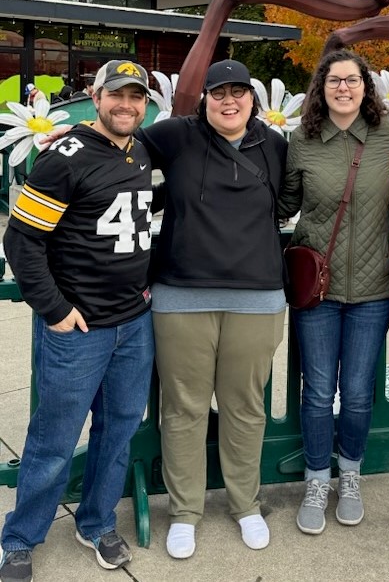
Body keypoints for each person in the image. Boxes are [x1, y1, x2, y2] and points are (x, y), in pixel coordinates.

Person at [0, 60, 156, 582]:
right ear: (94, 94)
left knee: (117, 433)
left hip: (134, 324)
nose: (126, 105)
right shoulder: (64, 157)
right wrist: (56, 309)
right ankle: (21, 537)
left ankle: (95, 522)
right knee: (54, 438)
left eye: (136, 96)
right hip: (79, 329)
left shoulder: (142, 149)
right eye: (116, 95)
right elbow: (22, 240)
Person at [136, 59, 287, 559]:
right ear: (204, 99)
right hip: (182, 295)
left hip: (257, 295)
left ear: (252, 99)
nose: (229, 101)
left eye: (238, 92)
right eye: (218, 92)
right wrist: (70, 140)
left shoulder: (276, 145)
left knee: (245, 407)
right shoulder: (177, 136)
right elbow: (119, 148)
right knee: (184, 408)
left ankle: (245, 503)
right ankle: (184, 511)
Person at [278, 49, 389, 535]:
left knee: (355, 394)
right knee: (317, 394)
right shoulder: (302, 140)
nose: (344, 89)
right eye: (334, 81)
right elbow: (284, 202)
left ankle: (349, 474)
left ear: (365, 88)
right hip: (319, 290)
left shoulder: (385, 137)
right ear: (321, 88)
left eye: (353, 81)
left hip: (375, 290)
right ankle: (316, 477)